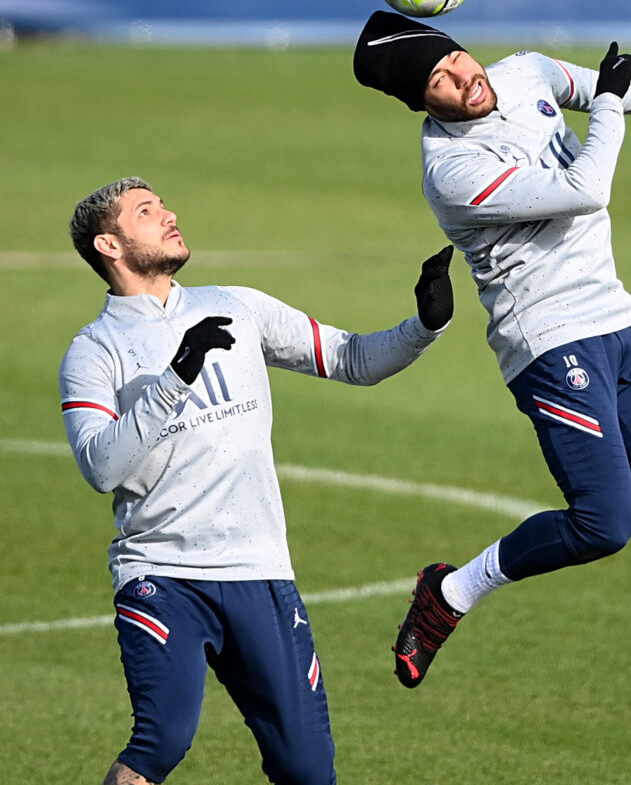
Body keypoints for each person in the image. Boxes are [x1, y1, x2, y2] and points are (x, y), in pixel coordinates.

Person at [353, 9, 631, 779]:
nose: (464, 79)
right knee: (604, 524)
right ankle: (449, 593)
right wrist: (612, 107)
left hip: (620, 324)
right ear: (420, 102)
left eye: (457, 60)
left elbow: (598, 85)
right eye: (439, 82)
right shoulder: (452, 171)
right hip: (551, 343)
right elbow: (585, 188)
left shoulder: (522, 70)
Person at [58, 176, 454, 785]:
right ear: (109, 245)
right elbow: (100, 467)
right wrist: (177, 375)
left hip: (259, 571)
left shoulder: (236, 306)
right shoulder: (94, 351)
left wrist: (425, 326)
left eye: (163, 204)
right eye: (146, 211)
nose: (169, 214)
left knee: (308, 769)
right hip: (163, 575)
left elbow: (350, 358)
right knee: (160, 741)